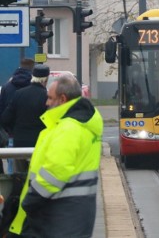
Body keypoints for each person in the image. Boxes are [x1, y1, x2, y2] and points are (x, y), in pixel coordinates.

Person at [7, 73, 103, 238]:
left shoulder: (68, 128)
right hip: (75, 213)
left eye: (50, 98)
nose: (46, 102)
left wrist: (29, 201)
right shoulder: (82, 124)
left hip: (58, 213)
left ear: (62, 99)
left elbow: (55, 171)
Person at [1, 64, 50, 172]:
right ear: (46, 79)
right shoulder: (47, 97)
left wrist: (13, 130)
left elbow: (5, 118)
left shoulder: (19, 94)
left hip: (19, 144)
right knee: (38, 176)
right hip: (39, 144)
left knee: (20, 176)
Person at [0, 58, 35, 174]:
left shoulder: (7, 87)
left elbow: (2, 112)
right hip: (34, 135)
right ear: (32, 68)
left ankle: (12, 189)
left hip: (12, 134)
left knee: (13, 169)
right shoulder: (36, 89)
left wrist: (7, 129)